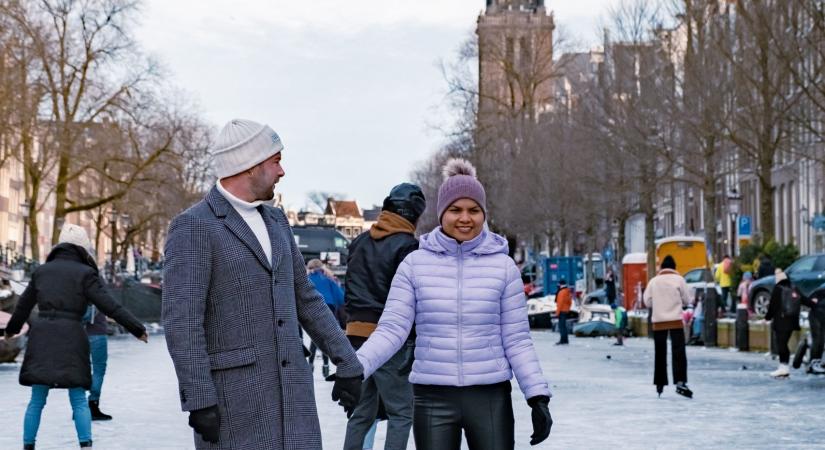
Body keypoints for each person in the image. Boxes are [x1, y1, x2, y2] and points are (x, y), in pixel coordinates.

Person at [162, 119, 363, 449]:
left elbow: (306, 298)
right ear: (250, 165)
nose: (282, 171)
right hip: (235, 405)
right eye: (276, 160)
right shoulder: (194, 226)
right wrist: (199, 397)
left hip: (293, 401)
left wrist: (347, 362)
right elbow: (182, 321)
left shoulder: (277, 221)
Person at [355, 159, 553, 450]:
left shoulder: (504, 267)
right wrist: (356, 368)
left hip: (489, 397)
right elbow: (392, 329)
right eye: (455, 210)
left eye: (474, 210)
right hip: (432, 396)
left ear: (483, 214)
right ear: (441, 213)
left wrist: (537, 396)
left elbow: (517, 339)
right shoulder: (414, 264)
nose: (465, 218)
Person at [3, 224, 148, 449]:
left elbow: (23, 306)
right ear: (83, 248)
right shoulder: (85, 273)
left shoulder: (42, 271)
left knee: (37, 400)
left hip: (43, 338)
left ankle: (28, 445)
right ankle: (85, 445)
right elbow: (109, 305)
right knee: (78, 398)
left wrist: (11, 330)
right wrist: (136, 328)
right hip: (72, 336)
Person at [342, 183, 425, 450]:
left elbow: (350, 288)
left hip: (355, 335)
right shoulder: (409, 247)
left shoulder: (359, 241)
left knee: (361, 412)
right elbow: (411, 300)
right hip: (390, 339)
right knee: (402, 412)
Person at [643, 255, 692, 398]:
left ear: (662, 268)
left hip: (658, 321)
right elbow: (686, 300)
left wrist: (658, 304)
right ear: (674, 267)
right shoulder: (680, 280)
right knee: (679, 352)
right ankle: (680, 380)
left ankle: (660, 383)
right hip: (676, 320)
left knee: (660, 353)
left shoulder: (654, 281)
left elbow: (647, 301)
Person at [306, 258, 345, 377]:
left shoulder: (307, 279)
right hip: (329, 308)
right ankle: (326, 365)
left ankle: (310, 364)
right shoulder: (329, 280)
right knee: (325, 337)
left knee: (315, 338)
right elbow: (340, 298)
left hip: (312, 308)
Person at [765, 269, 800, 378]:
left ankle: (783, 367)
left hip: (781, 321)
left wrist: (767, 317)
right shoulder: (794, 288)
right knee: (784, 343)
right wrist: (814, 304)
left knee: (781, 344)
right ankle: (784, 367)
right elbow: (802, 299)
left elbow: (773, 305)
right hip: (792, 321)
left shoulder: (778, 289)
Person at [85, 307, 113, 421]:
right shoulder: (96, 290)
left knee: (81, 369)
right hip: (97, 334)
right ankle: (93, 406)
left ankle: (79, 408)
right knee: (98, 370)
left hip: (79, 334)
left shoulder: (74, 290)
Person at [801, 287, 825, 375]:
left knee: (821, 341)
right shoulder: (821, 291)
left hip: (823, 318)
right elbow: (807, 300)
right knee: (817, 339)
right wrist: (812, 302)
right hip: (815, 317)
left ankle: (817, 362)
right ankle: (813, 362)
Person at [555, 279, 573, 345]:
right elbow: (570, 302)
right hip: (565, 311)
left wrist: (557, 313)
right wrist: (567, 309)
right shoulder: (568, 291)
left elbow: (560, 303)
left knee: (561, 326)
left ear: (560, 284)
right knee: (564, 326)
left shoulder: (561, 292)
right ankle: (566, 340)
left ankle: (562, 340)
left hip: (561, 311)